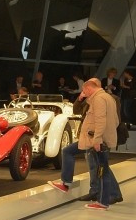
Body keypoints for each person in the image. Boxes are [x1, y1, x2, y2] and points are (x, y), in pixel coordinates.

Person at [48, 78, 123, 210]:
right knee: (96, 166)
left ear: (89, 88)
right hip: (94, 139)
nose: (83, 92)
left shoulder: (99, 99)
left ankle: (103, 201)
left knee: (101, 170)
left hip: (95, 140)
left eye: (84, 90)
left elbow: (100, 120)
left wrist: (98, 139)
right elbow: (115, 121)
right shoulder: (108, 98)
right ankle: (73, 186)